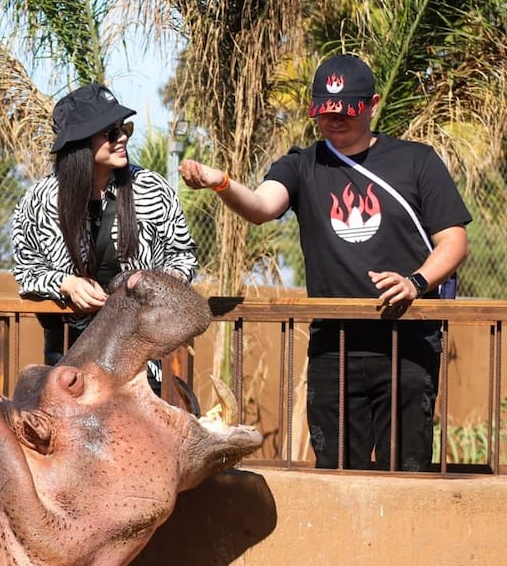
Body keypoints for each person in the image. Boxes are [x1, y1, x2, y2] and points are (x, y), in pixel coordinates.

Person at [179, 54, 471, 471]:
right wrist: (221, 182)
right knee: (337, 469)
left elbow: (454, 242)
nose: (335, 120)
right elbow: (262, 206)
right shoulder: (302, 165)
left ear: (373, 104)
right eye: (325, 112)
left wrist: (415, 281)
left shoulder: (417, 161)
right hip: (334, 346)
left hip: (407, 343)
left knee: (408, 470)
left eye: (346, 111)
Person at [12, 82, 199, 383]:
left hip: (138, 355)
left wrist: (158, 282)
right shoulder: (41, 199)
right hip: (68, 359)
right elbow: (26, 270)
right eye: (111, 133)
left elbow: (183, 257)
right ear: (80, 143)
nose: (123, 137)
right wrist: (66, 284)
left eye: (124, 128)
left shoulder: (151, 189)